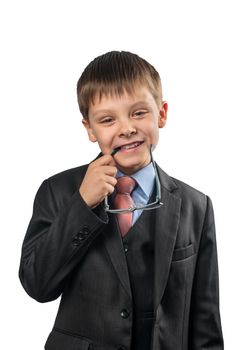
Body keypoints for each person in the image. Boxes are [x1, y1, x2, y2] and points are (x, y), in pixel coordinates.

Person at [19, 51, 224, 350]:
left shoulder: (197, 207)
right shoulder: (57, 191)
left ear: (162, 114)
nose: (127, 128)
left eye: (139, 113)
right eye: (107, 119)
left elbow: (205, 322)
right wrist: (81, 205)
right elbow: (38, 285)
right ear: (90, 128)